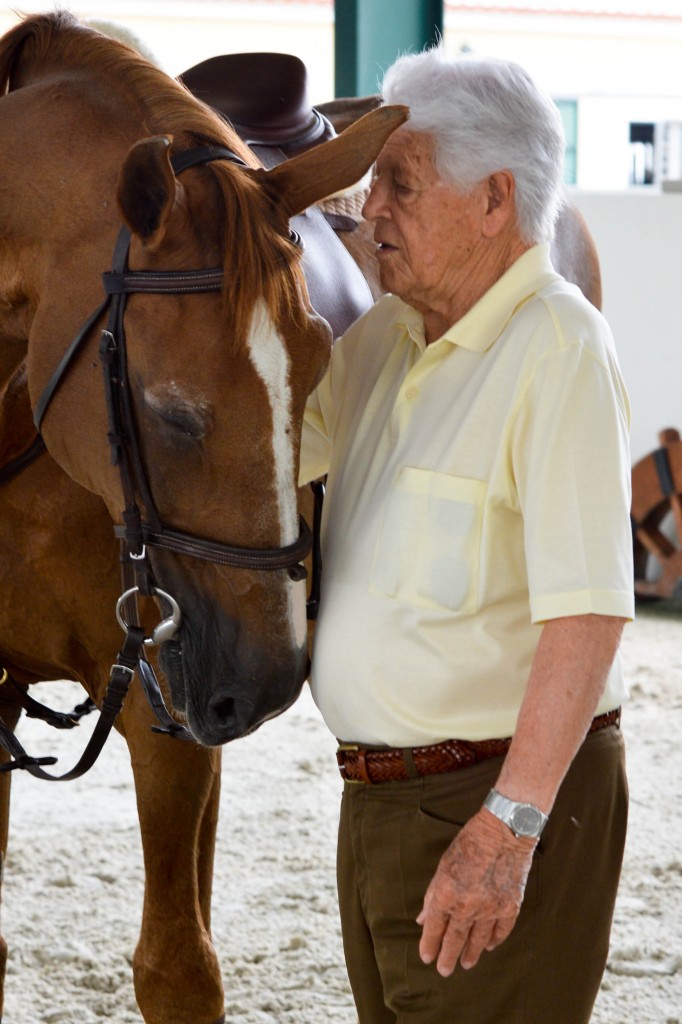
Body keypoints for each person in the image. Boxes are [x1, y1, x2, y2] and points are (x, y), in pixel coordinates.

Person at [299, 47, 633, 1024]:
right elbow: (259, 454)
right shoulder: (380, 342)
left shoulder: (557, 347)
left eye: (399, 183)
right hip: (377, 807)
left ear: (494, 199)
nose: (369, 213)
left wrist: (509, 825)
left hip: (491, 800)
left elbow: (588, 614)